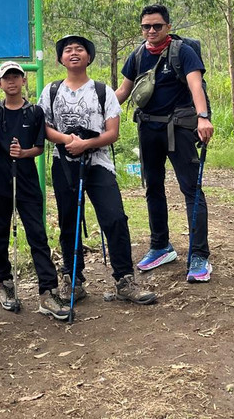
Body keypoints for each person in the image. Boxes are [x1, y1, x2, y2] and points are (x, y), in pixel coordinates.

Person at [39, 35, 156, 306]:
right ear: (60, 59)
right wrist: (68, 141)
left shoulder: (103, 91)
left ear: (89, 57)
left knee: (114, 218)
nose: (74, 53)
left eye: (80, 49)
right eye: (68, 50)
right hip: (64, 163)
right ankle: (73, 279)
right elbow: (44, 127)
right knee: (69, 221)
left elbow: (112, 132)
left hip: (99, 163)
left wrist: (86, 144)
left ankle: (124, 280)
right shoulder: (51, 91)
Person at [115, 4, 214, 282]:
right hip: (148, 128)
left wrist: (203, 117)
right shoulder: (137, 55)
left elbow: (195, 85)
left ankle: (199, 254)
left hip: (179, 128)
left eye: (157, 26)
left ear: (167, 27)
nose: (151, 31)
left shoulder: (183, 52)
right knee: (153, 188)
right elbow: (123, 91)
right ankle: (160, 246)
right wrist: (98, 111)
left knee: (191, 189)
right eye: (146, 26)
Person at [0, 62, 70, 320]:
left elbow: (39, 147)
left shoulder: (35, 112)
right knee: (0, 234)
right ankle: (4, 282)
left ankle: (48, 292)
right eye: (6, 78)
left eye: (16, 77)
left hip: (27, 181)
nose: (11, 81)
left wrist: (24, 153)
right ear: (0, 83)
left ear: (23, 81)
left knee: (37, 235)